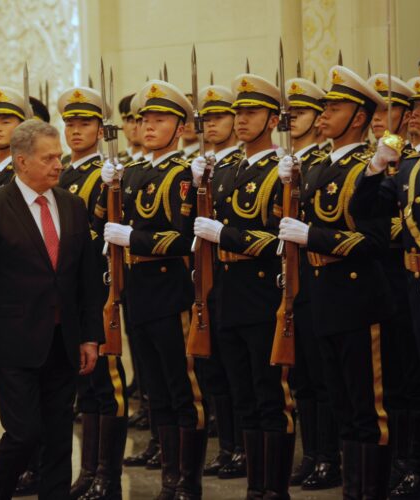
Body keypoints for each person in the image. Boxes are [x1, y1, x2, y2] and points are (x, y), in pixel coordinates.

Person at [0, 119, 102, 499]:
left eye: (59, 157)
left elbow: (86, 280)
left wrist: (90, 336)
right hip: (13, 342)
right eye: (49, 158)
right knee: (24, 433)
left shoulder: (72, 206)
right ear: (21, 162)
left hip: (63, 339)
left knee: (58, 436)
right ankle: (0, 492)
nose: (58, 165)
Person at [278, 65, 393, 499]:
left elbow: (377, 240)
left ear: (359, 118)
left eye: (335, 106)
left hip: (359, 299)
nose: (324, 113)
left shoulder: (371, 167)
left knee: (368, 409)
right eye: (324, 105)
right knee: (341, 406)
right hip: (322, 297)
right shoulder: (320, 165)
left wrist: (315, 237)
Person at [99, 79, 208, 499]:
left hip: (170, 289)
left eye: (159, 120)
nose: (148, 126)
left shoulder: (184, 175)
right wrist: (108, 188)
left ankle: (188, 481)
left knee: (183, 388)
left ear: (179, 127)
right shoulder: (135, 172)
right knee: (154, 389)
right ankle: (168, 477)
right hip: (137, 291)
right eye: (145, 119)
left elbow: (186, 239)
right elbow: (105, 223)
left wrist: (135, 240)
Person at [350, 60, 420, 500]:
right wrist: (376, 168)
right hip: (419, 296)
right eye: (414, 105)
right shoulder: (415, 166)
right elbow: (366, 210)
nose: (414, 112)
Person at [194, 74, 294, 499]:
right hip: (228, 294)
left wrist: (227, 236)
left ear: (273, 118)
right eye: (238, 112)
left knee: (272, 397)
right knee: (242, 396)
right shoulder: (225, 170)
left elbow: (282, 240)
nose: (241, 120)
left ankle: (276, 489)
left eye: (251, 112)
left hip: (263, 294)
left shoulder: (282, 170)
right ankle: (256, 488)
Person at [56, 86, 129, 500]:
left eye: (84, 123)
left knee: (108, 384)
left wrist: (111, 189)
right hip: (68, 290)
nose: (75, 130)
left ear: (100, 129)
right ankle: (87, 472)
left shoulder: (109, 173)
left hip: (100, 288)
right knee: (85, 384)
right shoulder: (61, 173)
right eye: (70, 123)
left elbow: (105, 232)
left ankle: (108, 478)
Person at [279, 77, 342, 491]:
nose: (292, 120)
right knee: (300, 376)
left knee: (323, 375)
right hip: (290, 279)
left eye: (299, 113)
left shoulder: (323, 161)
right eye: (289, 113)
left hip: (320, 275)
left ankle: (329, 457)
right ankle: (312, 454)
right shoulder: (284, 161)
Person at [194, 83, 248, 481]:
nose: (211, 125)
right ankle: (229, 446)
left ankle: (243, 449)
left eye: (219, 117)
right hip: (209, 278)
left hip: (239, 277)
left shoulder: (238, 169)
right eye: (206, 119)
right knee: (214, 368)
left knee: (240, 373)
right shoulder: (210, 169)